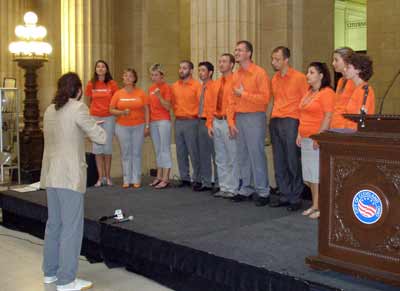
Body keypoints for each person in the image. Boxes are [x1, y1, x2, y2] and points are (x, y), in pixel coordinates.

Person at [40, 72, 106, 291]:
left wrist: (85, 127)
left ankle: (50, 273)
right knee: (71, 228)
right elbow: (101, 138)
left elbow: (63, 133)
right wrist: (96, 126)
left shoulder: (50, 109)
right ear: (78, 91)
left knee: (54, 225)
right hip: (69, 176)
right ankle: (67, 280)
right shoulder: (78, 108)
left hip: (52, 174)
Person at [227, 40, 271, 207]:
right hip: (239, 118)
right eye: (236, 50)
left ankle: (263, 191)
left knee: (256, 154)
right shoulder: (236, 75)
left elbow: (265, 99)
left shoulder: (259, 73)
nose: (236, 53)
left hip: (255, 117)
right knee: (243, 155)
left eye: (240, 50)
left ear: (249, 53)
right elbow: (231, 101)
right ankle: (246, 188)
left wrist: (244, 94)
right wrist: (231, 122)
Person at [269, 46, 308, 211]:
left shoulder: (299, 78)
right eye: (273, 59)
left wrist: (301, 127)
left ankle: (296, 196)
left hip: (292, 120)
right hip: (276, 119)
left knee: (293, 160)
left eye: (277, 59)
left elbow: (305, 102)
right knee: (279, 159)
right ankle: (284, 193)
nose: (274, 62)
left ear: (286, 60)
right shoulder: (274, 79)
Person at [296, 62, 335, 219]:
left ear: (321, 75)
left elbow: (328, 115)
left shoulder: (326, 93)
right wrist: (299, 133)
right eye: (307, 72)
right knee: (309, 175)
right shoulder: (309, 92)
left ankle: (320, 207)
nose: (308, 75)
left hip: (316, 138)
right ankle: (315, 204)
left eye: (311, 72)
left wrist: (320, 135)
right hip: (305, 137)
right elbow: (302, 115)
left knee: (317, 175)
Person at [205, 53, 239, 198]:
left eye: (224, 61)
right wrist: (209, 123)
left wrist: (232, 123)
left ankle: (233, 188)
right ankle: (224, 187)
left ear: (232, 64)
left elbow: (236, 104)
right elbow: (209, 105)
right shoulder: (215, 83)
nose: (221, 64)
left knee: (232, 156)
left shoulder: (236, 81)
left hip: (228, 122)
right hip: (216, 121)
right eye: (220, 61)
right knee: (220, 157)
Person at [110, 68, 150, 188]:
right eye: (125, 76)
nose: (127, 78)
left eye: (130, 76)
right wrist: (121, 112)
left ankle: (136, 178)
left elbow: (147, 110)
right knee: (126, 152)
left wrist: (147, 125)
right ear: (123, 78)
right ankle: (126, 179)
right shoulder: (118, 93)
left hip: (138, 125)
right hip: (122, 126)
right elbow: (111, 109)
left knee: (136, 152)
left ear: (134, 79)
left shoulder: (141, 93)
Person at [85, 60, 119, 187]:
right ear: (95, 69)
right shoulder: (91, 84)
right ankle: (100, 178)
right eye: (98, 66)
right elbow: (89, 101)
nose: (100, 68)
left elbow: (116, 101)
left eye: (103, 66)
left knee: (107, 147)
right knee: (97, 148)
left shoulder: (112, 84)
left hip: (109, 117)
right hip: (95, 117)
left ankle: (108, 177)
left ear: (106, 69)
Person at [170, 60, 202, 189]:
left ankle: (198, 179)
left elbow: (201, 104)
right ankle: (184, 178)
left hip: (192, 121)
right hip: (178, 121)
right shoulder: (175, 86)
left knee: (194, 151)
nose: (181, 70)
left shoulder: (196, 85)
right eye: (180, 68)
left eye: (184, 68)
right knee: (181, 151)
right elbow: (171, 103)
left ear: (191, 70)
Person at [148, 64, 172, 189]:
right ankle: (159, 176)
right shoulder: (151, 88)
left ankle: (166, 178)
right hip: (153, 121)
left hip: (163, 121)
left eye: (156, 75)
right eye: (152, 75)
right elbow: (149, 107)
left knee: (164, 149)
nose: (154, 77)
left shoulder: (166, 87)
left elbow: (167, 106)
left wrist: (159, 96)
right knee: (157, 149)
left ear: (162, 75)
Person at [196, 61, 218, 193]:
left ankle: (218, 182)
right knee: (203, 153)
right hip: (200, 121)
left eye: (203, 70)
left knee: (215, 154)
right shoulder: (199, 87)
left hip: (211, 121)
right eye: (199, 70)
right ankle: (206, 182)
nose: (200, 73)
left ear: (210, 73)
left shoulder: (215, 86)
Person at [342, 53, 375, 130]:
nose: (344, 69)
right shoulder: (357, 89)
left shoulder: (364, 89)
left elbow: (361, 118)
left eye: (348, 67)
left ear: (358, 70)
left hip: (355, 135)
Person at [331, 47, 357, 129]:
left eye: (336, 60)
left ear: (347, 61)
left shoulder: (355, 81)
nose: (333, 63)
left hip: (346, 128)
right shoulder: (341, 81)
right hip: (336, 126)